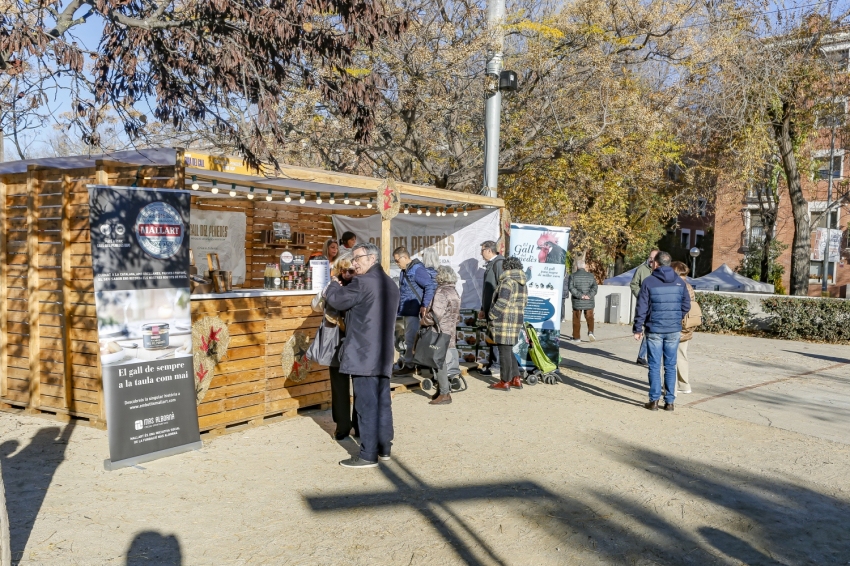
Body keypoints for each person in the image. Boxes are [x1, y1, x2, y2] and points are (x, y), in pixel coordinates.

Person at [324, 243, 399, 468]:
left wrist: (333, 286)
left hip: (363, 353)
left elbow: (337, 300)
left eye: (358, 258)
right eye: (353, 258)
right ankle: (384, 448)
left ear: (372, 258)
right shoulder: (390, 283)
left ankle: (367, 455)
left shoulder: (362, 282)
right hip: (383, 352)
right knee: (383, 402)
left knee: (366, 404)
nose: (354, 262)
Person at [633, 251, 691, 412]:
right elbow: (687, 305)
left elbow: (641, 307)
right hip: (673, 329)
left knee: (654, 365)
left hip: (654, 329)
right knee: (670, 366)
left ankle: (654, 401)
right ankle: (670, 402)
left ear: (656, 264)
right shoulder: (679, 282)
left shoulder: (649, 282)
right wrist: (676, 317)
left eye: (652, 262)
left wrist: (638, 328)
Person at [312, 253, 358, 440]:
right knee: (339, 386)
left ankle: (359, 424)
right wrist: (327, 291)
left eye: (351, 270)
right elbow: (315, 305)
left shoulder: (359, 286)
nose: (347, 274)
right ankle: (342, 426)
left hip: (355, 339)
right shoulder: (333, 285)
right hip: (335, 339)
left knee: (359, 385)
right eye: (344, 270)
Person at [420, 265, 461, 405]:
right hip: (450, 331)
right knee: (440, 361)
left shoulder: (441, 291)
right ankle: (441, 390)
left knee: (439, 363)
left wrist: (423, 321)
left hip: (439, 332)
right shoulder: (454, 291)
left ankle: (444, 394)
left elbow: (436, 314)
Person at [392, 246, 437, 375]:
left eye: (397, 260)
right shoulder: (405, 271)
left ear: (404, 257)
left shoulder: (417, 269)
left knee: (411, 339)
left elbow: (429, 286)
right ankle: (412, 363)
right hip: (407, 310)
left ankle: (410, 364)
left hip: (414, 311)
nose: (396, 263)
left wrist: (424, 305)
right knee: (409, 339)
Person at [487, 256, 528, 391]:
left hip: (504, 320)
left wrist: (491, 315)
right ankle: (516, 378)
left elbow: (502, 302)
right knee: (508, 349)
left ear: (507, 267)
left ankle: (505, 381)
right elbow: (525, 303)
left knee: (504, 350)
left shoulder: (507, 281)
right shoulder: (522, 283)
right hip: (517, 318)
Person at [478, 240, 504, 377]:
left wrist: (496, 308)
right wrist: (483, 307)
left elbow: (502, 287)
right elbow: (487, 289)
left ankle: (496, 366)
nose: (481, 253)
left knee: (496, 337)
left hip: (496, 309)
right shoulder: (492, 264)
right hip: (489, 308)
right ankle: (493, 364)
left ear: (489, 250)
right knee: (491, 337)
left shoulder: (499, 263)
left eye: (482, 250)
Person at [630, 249, 659, 366]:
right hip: (645, 305)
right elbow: (633, 284)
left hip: (657, 305)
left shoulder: (660, 270)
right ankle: (642, 356)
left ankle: (642, 356)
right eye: (651, 258)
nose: (652, 260)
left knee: (651, 331)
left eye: (655, 258)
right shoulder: (641, 270)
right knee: (649, 330)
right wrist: (641, 295)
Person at [671, 261, 697, 394]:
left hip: (677, 325)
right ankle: (684, 385)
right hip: (688, 326)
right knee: (682, 355)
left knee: (671, 357)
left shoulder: (677, 285)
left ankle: (672, 387)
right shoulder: (688, 285)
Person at [568, 259, 598, 342]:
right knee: (590, 317)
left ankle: (576, 337)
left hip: (577, 300)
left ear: (577, 267)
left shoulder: (572, 276)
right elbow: (595, 287)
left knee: (576, 319)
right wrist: (589, 295)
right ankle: (591, 332)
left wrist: (581, 296)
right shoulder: (591, 275)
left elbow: (571, 288)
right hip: (589, 300)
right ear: (584, 266)